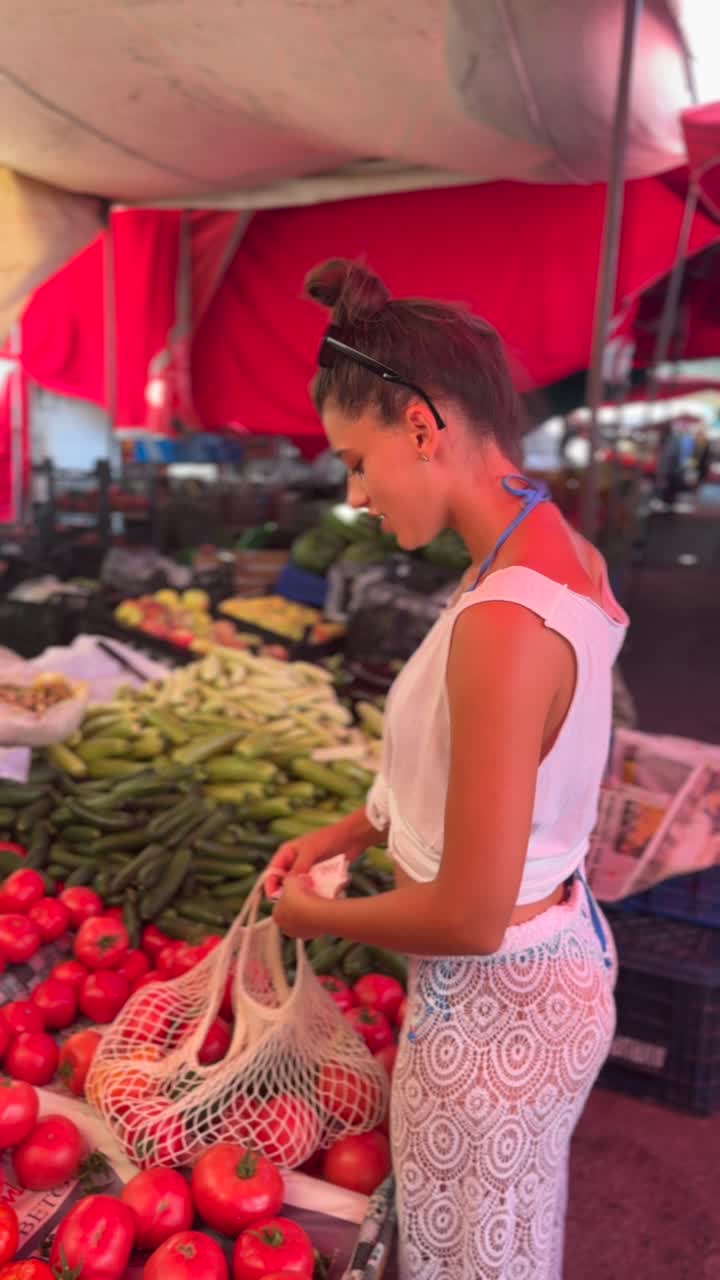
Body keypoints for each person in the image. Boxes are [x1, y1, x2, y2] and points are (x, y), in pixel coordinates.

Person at [267, 259, 629, 1280]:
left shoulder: (507, 619)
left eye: (356, 459)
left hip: (496, 1004)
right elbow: (467, 765)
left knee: (472, 1261)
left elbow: (468, 912)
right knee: (496, 1239)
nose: (355, 494)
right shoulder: (542, 550)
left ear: (422, 428)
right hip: (537, 967)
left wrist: (313, 914)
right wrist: (346, 835)